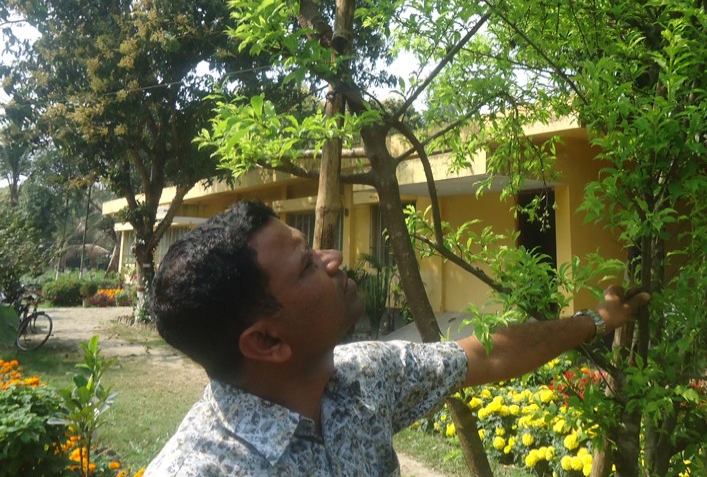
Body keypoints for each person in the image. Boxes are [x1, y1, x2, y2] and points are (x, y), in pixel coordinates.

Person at [145, 200, 650, 476]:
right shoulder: (202, 470)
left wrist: (597, 319)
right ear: (267, 343)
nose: (333, 259)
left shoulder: (363, 376)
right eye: (306, 267)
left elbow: (488, 354)